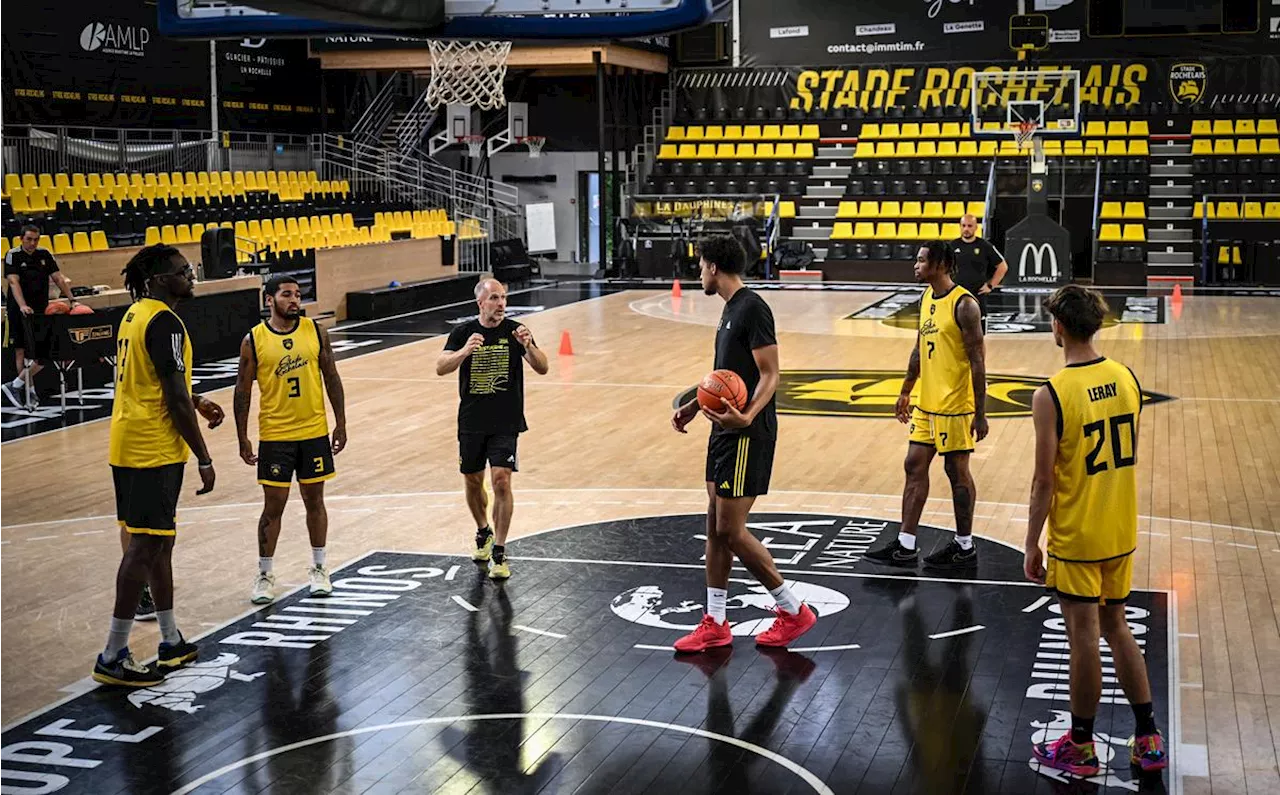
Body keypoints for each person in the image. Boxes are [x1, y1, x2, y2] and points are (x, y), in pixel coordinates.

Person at [1024, 285, 1167, 776]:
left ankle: (1081, 745)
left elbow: (1044, 480)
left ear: (1059, 327)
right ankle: (1148, 737)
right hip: (1120, 528)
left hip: (1079, 535)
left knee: (1083, 638)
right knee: (1118, 626)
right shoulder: (1127, 378)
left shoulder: (1052, 393)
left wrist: (1030, 542)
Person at [669, 235, 816, 653]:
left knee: (731, 530)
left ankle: (792, 610)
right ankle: (714, 621)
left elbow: (771, 373)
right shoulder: (729, 311)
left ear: (714, 267)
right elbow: (725, 377)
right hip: (723, 429)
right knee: (714, 526)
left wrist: (747, 416)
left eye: (700, 265)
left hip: (747, 433)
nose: (698, 273)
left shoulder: (752, 308)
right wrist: (695, 406)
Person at [94, 244, 224, 687]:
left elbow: (156, 381)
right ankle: (113, 654)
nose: (189, 275)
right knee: (144, 548)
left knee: (159, 544)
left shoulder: (134, 314)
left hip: (128, 441)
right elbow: (170, 396)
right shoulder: (165, 320)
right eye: (180, 271)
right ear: (156, 280)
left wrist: (198, 397)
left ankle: (170, 641)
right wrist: (204, 456)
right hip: (152, 448)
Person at [866, 241, 988, 570]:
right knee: (914, 465)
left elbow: (978, 362)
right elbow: (920, 348)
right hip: (927, 403)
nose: (915, 265)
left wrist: (980, 412)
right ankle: (905, 545)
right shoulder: (924, 298)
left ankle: (965, 546)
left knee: (956, 472)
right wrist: (906, 390)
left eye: (921, 260)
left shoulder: (965, 305)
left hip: (956, 406)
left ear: (941, 264)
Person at [235, 275, 347, 604]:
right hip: (275, 435)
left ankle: (320, 568)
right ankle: (265, 574)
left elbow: (332, 376)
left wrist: (340, 422)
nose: (294, 300)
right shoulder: (254, 340)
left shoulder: (315, 332)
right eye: (287, 295)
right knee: (273, 507)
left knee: (316, 502)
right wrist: (242, 437)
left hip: (314, 432)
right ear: (269, 300)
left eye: (298, 295)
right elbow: (242, 390)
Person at [436, 277, 548, 580]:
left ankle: (499, 549)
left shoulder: (515, 332)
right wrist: (463, 353)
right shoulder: (462, 332)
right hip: (472, 421)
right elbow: (440, 366)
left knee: (501, 481)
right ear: (480, 303)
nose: (501, 304)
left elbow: (542, 366)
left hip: (506, 420)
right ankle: (483, 531)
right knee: (473, 481)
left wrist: (528, 346)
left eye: (503, 298)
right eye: (495, 298)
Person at [2, 224, 74, 407]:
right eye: (29, 239)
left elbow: (58, 278)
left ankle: (15, 386)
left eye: (36, 240)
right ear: (21, 239)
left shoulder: (44, 254)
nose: (33, 243)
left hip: (42, 310)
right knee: (22, 351)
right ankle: (29, 393)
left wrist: (72, 300)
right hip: (19, 310)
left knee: (42, 353)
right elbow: (13, 282)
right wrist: (22, 305)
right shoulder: (13, 255)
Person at [950, 214, 1008, 320]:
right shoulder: (952, 246)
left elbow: (1002, 266)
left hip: (977, 294)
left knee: (979, 330)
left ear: (976, 227)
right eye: (963, 226)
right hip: (956, 294)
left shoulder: (985, 246)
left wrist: (990, 285)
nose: (966, 229)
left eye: (969, 226)